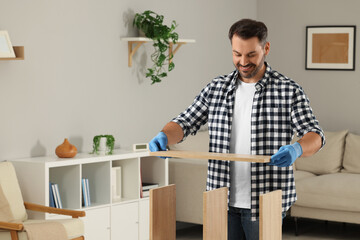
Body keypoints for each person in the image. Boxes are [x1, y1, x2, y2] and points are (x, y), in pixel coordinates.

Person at [149, 18, 325, 240]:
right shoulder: (216, 88)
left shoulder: (288, 90)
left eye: (251, 55)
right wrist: (164, 135)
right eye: (237, 54)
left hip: (265, 201)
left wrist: (297, 149)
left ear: (266, 48)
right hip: (220, 200)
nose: (243, 62)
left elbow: (315, 135)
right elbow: (185, 122)